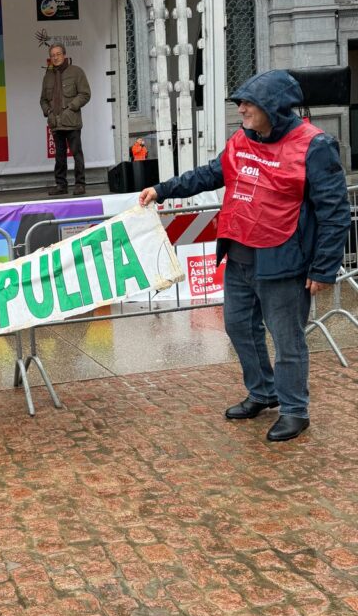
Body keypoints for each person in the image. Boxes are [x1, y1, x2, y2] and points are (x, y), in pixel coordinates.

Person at [139, 69, 350, 442]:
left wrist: (323, 268)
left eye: (249, 103)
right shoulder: (241, 140)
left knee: (287, 340)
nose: (242, 110)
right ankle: (263, 391)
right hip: (239, 255)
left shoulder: (314, 146)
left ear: (275, 106)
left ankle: (294, 410)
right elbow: (209, 174)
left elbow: (334, 212)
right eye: (240, 103)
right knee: (239, 326)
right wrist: (162, 188)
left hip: (284, 260)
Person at [40, 43, 91, 196]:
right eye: (52, 55)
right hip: (55, 123)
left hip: (72, 121)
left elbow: (85, 94)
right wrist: (48, 111)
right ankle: (61, 185)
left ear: (64, 55)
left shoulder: (76, 72)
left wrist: (71, 107)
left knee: (77, 153)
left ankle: (80, 184)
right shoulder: (48, 76)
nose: (55, 57)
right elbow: (43, 100)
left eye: (58, 54)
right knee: (59, 156)